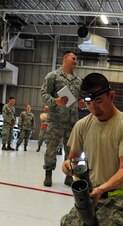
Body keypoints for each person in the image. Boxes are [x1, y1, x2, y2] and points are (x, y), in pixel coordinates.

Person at [57, 72, 123, 226]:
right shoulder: (82, 125)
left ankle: (118, 225)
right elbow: (72, 159)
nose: (94, 109)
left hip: (113, 196)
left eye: (99, 101)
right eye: (88, 103)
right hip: (87, 196)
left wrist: (101, 189)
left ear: (111, 96)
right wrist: (67, 166)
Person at [40, 51, 82, 187]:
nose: (75, 61)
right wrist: (55, 101)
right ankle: (48, 174)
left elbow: (77, 100)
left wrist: (81, 104)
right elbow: (43, 94)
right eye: (73, 58)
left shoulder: (78, 81)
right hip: (56, 120)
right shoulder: (53, 76)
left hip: (72, 121)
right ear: (65, 58)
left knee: (71, 150)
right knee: (51, 147)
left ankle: (69, 176)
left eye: (76, 59)